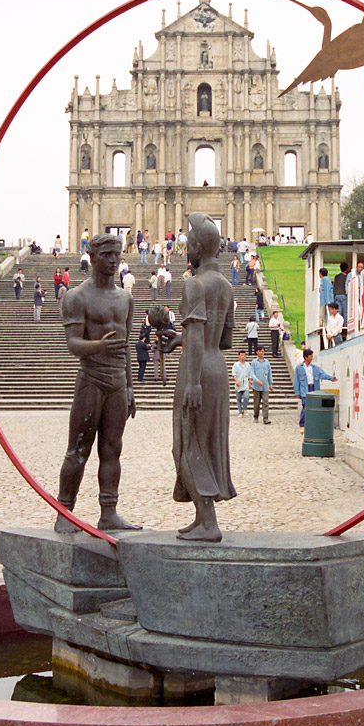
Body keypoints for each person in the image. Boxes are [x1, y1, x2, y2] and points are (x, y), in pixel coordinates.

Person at [54, 232, 139, 534]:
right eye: (107, 255)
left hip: (117, 381)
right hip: (91, 378)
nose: (114, 261)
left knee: (112, 449)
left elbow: (126, 346)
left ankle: (109, 511)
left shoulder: (126, 297)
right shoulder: (77, 296)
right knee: (78, 449)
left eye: (117, 254)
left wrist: (130, 387)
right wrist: (99, 347)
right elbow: (73, 344)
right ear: (92, 257)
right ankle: (65, 511)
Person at [159, 212, 236, 542]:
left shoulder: (193, 283)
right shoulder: (226, 286)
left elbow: (196, 337)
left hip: (198, 370)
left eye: (188, 243)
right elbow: (225, 340)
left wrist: (192, 381)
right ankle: (201, 515)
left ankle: (208, 522)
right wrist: (181, 337)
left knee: (187, 444)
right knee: (206, 442)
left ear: (196, 247)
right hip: (217, 367)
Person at [294, 348, 337, 430]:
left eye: (312, 356)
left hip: (314, 388)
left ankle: (312, 423)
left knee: (314, 407)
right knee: (305, 406)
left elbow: (323, 375)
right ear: (305, 357)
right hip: (304, 389)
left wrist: (331, 378)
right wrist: (297, 392)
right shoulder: (299, 368)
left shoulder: (315, 368)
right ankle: (302, 424)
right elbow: (297, 380)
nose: (311, 357)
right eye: (310, 356)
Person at [250, 346, 273, 424]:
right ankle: (256, 416)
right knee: (256, 402)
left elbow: (269, 374)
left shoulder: (267, 362)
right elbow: (252, 373)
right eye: (259, 351)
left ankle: (265, 418)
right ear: (257, 352)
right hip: (256, 386)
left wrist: (271, 384)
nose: (261, 352)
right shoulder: (254, 362)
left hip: (265, 386)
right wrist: (257, 381)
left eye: (262, 351)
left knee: (265, 402)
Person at [232, 350, 252, 417]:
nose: (243, 357)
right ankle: (240, 412)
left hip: (245, 384)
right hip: (239, 383)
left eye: (244, 355)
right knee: (239, 398)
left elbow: (249, 374)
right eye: (241, 355)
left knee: (246, 396)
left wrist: (250, 383)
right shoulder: (236, 365)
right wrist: (236, 381)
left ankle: (245, 408)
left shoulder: (248, 365)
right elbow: (234, 374)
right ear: (239, 356)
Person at [318, 267, 334, 333]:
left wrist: (328, 302)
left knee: (325, 316)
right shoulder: (325, 280)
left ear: (321, 273)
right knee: (324, 316)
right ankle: (326, 327)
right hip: (324, 301)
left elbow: (327, 290)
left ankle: (327, 328)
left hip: (325, 301)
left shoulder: (325, 279)